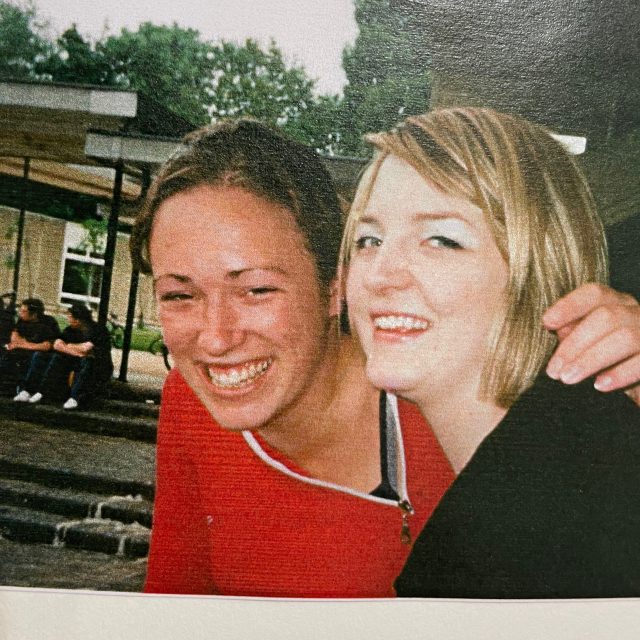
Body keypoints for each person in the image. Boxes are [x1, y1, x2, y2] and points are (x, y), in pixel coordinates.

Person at [130, 119, 640, 598]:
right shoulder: (196, 399)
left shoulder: (443, 386)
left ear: (335, 288)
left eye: (258, 290)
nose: (216, 340)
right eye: (179, 296)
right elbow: (175, 603)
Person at [343, 107, 640, 598]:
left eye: (440, 239)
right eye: (368, 239)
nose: (379, 274)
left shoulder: (528, 528)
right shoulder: (555, 458)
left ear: (538, 268)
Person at [14, 302, 113, 409]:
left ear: (78, 319)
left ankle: (75, 398)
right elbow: (57, 345)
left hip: (98, 365)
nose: (68, 319)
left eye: (70, 317)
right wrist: (76, 351)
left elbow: (86, 349)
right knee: (49, 356)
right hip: (76, 359)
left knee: (87, 361)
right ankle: (33, 391)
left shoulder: (98, 330)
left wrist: (69, 346)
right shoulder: (70, 329)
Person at [0, 298, 59, 396]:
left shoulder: (48, 323)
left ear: (34, 314)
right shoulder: (22, 321)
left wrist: (23, 344)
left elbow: (46, 346)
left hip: (42, 354)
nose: (20, 313)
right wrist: (25, 344)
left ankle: (25, 389)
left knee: (34, 356)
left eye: (23, 311)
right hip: (27, 350)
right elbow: (14, 338)